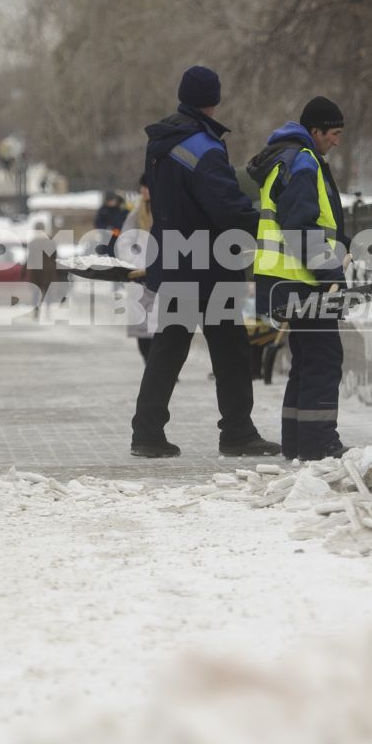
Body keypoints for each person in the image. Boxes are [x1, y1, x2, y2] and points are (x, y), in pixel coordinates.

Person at [130, 65, 280, 460]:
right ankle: (238, 433)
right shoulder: (204, 147)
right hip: (211, 265)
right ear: (214, 100)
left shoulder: (160, 143)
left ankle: (146, 432)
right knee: (231, 350)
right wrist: (266, 226)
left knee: (169, 346)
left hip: (176, 258)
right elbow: (226, 209)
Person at [247, 95, 351, 460]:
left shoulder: (286, 160)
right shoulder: (303, 162)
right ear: (315, 131)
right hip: (301, 279)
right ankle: (319, 444)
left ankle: (297, 442)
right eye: (333, 133)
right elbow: (300, 229)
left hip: (283, 278)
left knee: (306, 361)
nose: (336, 141)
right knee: (323, 359)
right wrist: (331, 273)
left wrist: (342, 247)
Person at [115, 174, 155, 362]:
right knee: (142, 326)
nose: (141, 191)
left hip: (165, 276)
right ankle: (150, 363)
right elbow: (124, 241)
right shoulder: (136, 214)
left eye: (145, 187)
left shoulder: (169, 210)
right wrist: (136, 263)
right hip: (142, 276)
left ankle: (162, 367)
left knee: (165, 327)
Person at [92, 190, 127, 255]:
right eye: (109, 201)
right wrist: (108, 228)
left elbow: (127, 220)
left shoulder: (122, 209)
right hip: (107, 237)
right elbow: (98, 223)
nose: (111, 202)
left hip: (122, 236)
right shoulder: (103, 210)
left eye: (113, 200)